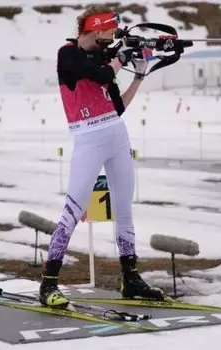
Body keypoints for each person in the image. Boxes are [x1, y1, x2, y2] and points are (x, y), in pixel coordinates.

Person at [39, 5, 165, 308]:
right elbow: (100, 74)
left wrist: (139, 76)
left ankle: (130, 278)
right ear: (95, 30)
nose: (111, 39)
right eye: (108, 33)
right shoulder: (68, 54)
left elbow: (118, 105)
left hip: (116, 133)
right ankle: (48, 284)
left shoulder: (103, 58)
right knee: (73, 209)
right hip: (88, 138)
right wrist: (121, 58)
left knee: (124, 208)